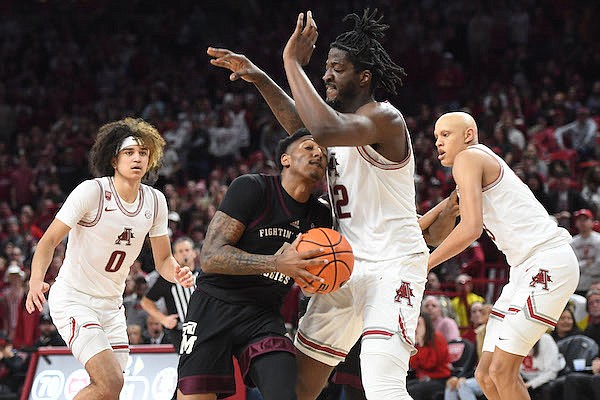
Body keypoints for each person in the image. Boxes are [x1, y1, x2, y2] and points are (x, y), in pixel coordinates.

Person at [207, 9, 456, 399]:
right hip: (345, 266)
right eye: (324, 68)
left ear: (364, 77)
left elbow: (321, 128)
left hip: (392, 266)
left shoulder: (384, 118)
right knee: (298, 388)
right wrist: (260, 78)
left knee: (382, 384)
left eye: (336, 68)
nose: (325, 76)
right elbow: (301, 126)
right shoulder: (337, 127)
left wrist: (291, 61)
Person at [25, 117, 195, 400]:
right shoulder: (92, 192)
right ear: (114, 159)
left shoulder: (155, 202)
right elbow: (48, 241)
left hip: (112, 306)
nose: (137, 158)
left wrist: (177, 272)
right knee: (110, 382)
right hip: (74, 299)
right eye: (129, 152)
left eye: (143, 153)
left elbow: (163, 261)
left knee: (109, 391)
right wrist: (35, 281)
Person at [429, 111, 579, 400]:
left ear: (468, 135)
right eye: (436, 137)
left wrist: (425, 265)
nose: (438, 143)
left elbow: (471, 229)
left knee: (501, 372)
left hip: (546, 259)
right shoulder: (470, 170)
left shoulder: (468, 158)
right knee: (485, 375)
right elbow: (436, 226)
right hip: (523, 267)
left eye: (445, 134)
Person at [176, 128, 332, 400]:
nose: (319, 153)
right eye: (309, 147)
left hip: (263, 314)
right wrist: (275, 263)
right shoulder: (252, 188)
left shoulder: (320, 215)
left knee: (286, 394)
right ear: (285, 159)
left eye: (323, 151)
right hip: (214, 304)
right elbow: (211, 257)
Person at [141, 236, 199, 351]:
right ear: (175, 256)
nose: (184, 254)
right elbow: (145, 302)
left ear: (194, 253)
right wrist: (163, 319)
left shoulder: (204, 276)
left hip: (206, 329)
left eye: (187, 250)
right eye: (180, 251)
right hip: (182, 332)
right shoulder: (168, 279)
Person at [570, 209, 600, 296]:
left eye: (585, 220)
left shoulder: (598, 240)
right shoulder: (572, 242)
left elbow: (598, 263)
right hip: (580, 284)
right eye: (579, 220)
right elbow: (574, 265)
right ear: (576, 223)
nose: (582, 223)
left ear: (592, 222)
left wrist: (583, 266)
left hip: (596, 282)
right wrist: (586, 263)